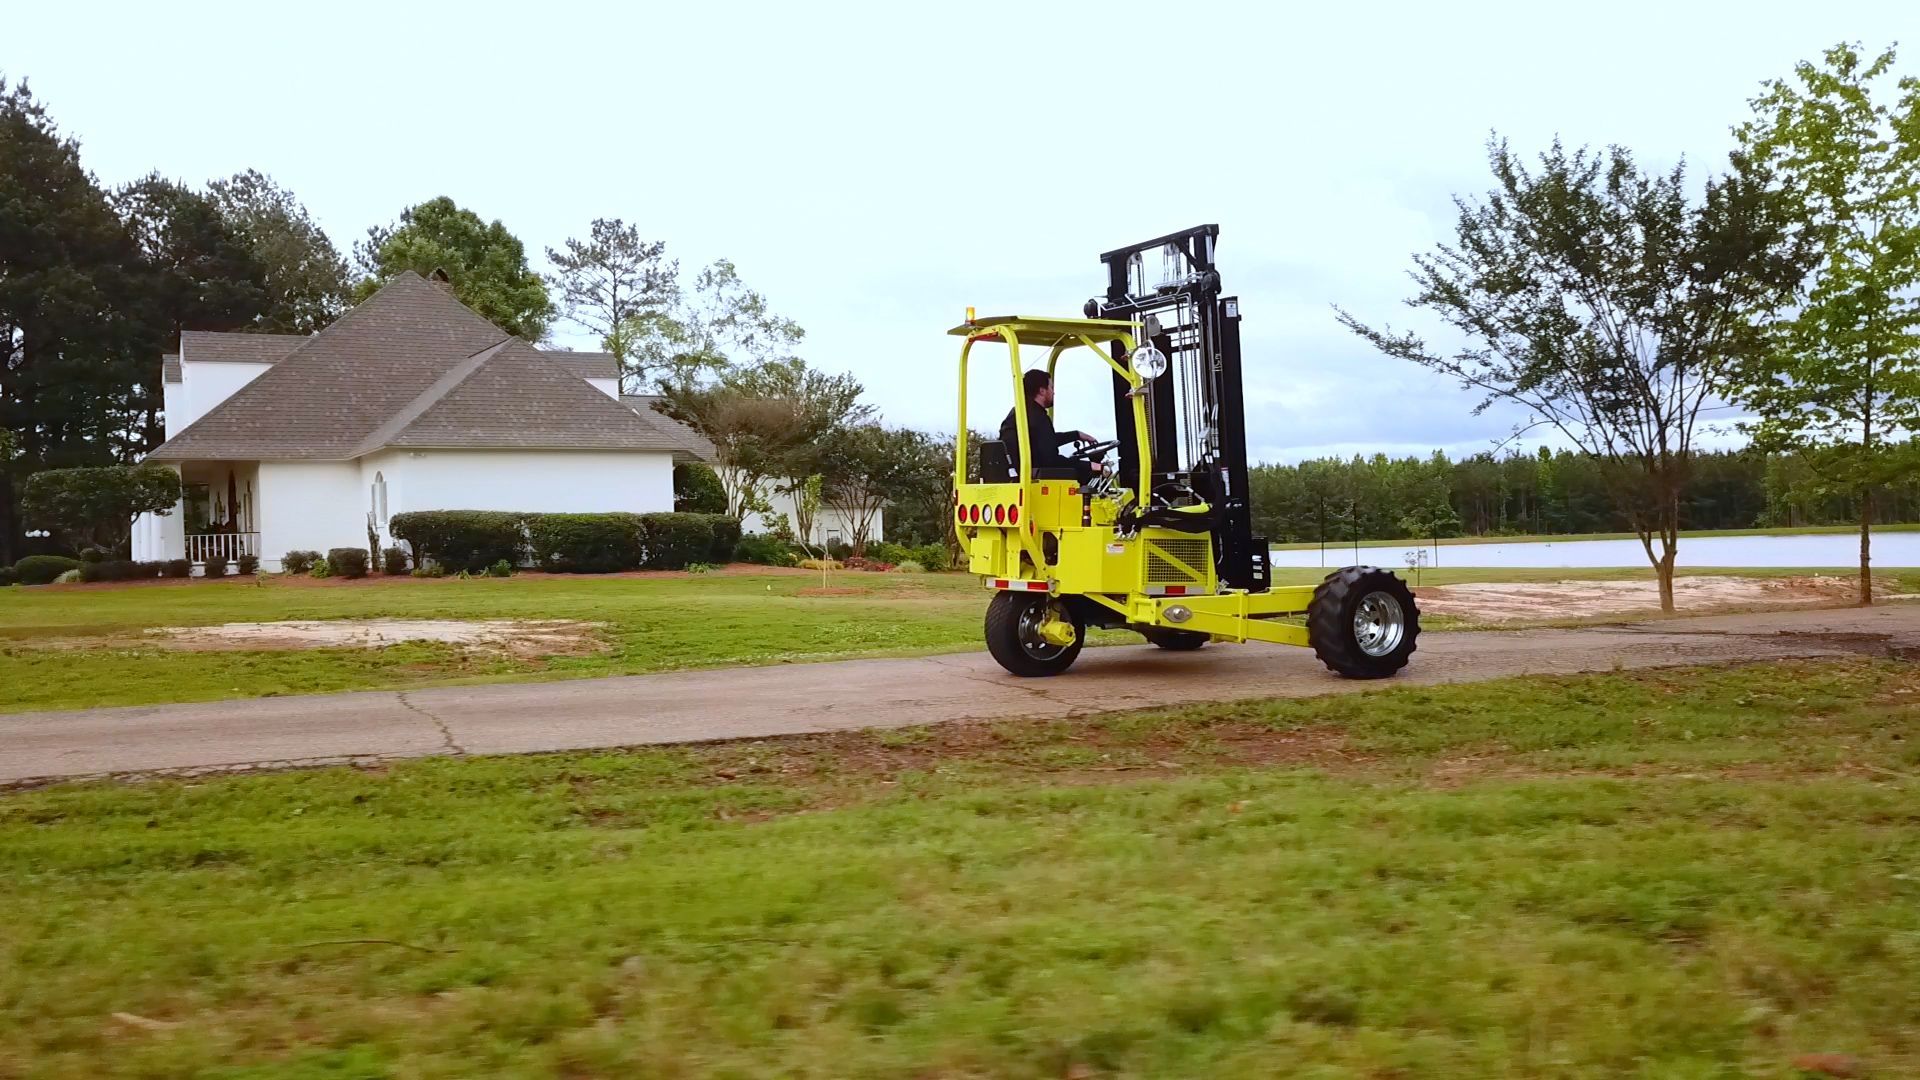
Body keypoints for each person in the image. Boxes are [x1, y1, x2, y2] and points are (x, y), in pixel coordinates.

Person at [1001, 368, 1104, 482]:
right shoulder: (1038, 418)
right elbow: (1051, 460)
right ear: (1042, 391)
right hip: (1037, 476)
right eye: (1051, 387)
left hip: (1018, 473)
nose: (1053, 392)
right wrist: (1090, 466)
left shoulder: (1019, 413)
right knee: (1091, 475)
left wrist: (1076, 435)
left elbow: (1044, 440)